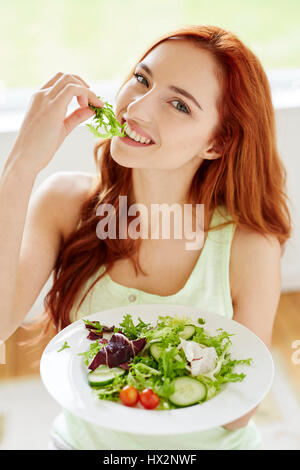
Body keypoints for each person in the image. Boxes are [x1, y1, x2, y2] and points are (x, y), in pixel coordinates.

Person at [0, 25, 291, 450]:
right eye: (141, 79)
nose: (136, 107)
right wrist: (21, 166)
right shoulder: (64, 204)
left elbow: (239, 413)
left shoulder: (247, 245)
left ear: (217, 142)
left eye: (178, 104)